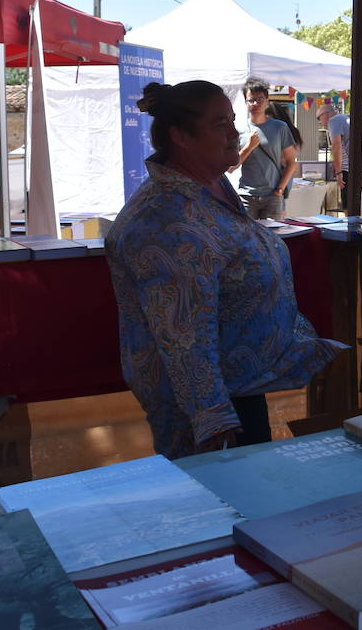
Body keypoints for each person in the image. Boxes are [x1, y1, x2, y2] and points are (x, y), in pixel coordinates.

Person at [106, 79, 343, 457]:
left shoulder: (208, 183)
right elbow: (183, 337)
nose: (235, 134)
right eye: (221, 124)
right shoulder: (165, 223)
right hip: (210, 410)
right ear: (181, 136)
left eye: (232, 121)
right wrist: (213, 420)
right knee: (227, 505)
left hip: (240, 389)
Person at [235, 78, 298, 220]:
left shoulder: (280, 127)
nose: (255, 103)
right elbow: (232, 166)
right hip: (247, 195)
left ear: (267, 101)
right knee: (247, 239)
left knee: (274, 238)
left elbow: (291, 161)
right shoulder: (239, 130)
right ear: (245, 102)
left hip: (272, 196)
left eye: (260, 99)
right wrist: (248, 147)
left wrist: (279, 190)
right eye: (251, 100)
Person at [317, 102, 350, 207]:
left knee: (347, 205)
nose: (320, 123)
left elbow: (336, 146)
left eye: (319, 118)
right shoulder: (344, 118)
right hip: (360, 166)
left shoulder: (333, 121)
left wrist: (338, 171)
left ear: (325, 114)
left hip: (347, 168)